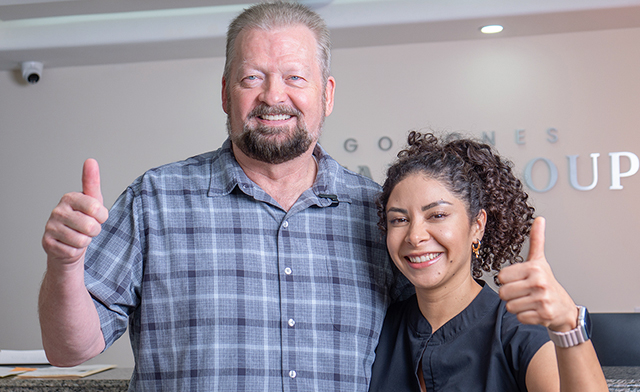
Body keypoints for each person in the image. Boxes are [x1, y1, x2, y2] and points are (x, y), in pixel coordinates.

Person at [39, 2, 409, 390]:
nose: (273, 96)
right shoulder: (153, 202)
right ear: (225, 93)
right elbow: (69, 350)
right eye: (252, 77)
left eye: (295, 77)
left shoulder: (380, 213)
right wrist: (64, 265)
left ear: (327, 95)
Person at [369, 131, 608, 392]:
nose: (415, 236)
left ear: (477, 225)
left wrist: (567, 327)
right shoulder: (380, 327)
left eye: (437, 215)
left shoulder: (517, 331)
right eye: (399, 220)